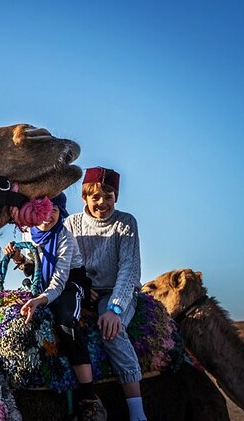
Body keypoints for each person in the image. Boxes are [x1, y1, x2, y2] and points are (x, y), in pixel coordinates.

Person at [4, 193, 107, 421]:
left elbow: (59, 281)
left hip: (69, 284)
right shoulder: (28, 233)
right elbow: (35, 269)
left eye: (55, 210)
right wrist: (19, 259)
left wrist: (40, 300)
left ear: (61, 213)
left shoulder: (64, 238)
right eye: (44, 209)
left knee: (67, 323)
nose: (48, 216)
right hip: (40, 286)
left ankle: (89, 397)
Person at [64, 167, 147, 421]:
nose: (102, 203)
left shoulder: (126, 223)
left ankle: (137, 412)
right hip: (84, 290)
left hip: (117, 290)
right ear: (85, 198)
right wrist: (82, 287)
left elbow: (129, 268)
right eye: (96, 197)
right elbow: (66, 262)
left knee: (111, 330)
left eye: (108, 197)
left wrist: (115, 308)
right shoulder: (72, 224)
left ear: (116, 197)